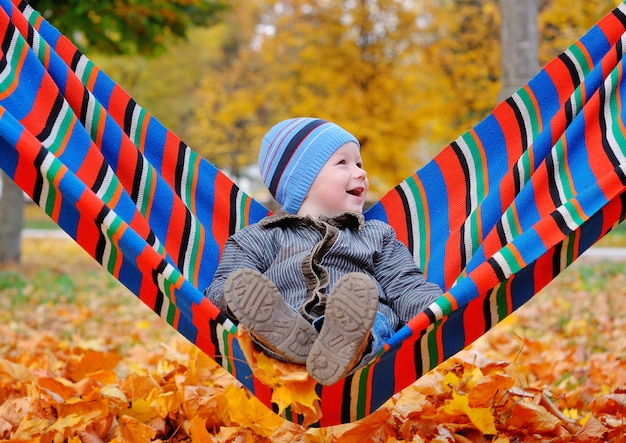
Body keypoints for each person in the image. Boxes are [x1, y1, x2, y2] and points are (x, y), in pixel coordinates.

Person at [205, 117, 442, 385]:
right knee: (266, 330)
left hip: (367, 330)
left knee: (369, 318)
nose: (361, 173)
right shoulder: (258, 238)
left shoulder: (376, 235)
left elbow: (406, 287)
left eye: (360, 164)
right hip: (288, 329)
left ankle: (347, 344)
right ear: (302, 181)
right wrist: (238, 298)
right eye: (343, 163)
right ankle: (299, 344)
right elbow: (224, 289)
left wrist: (445, 309)